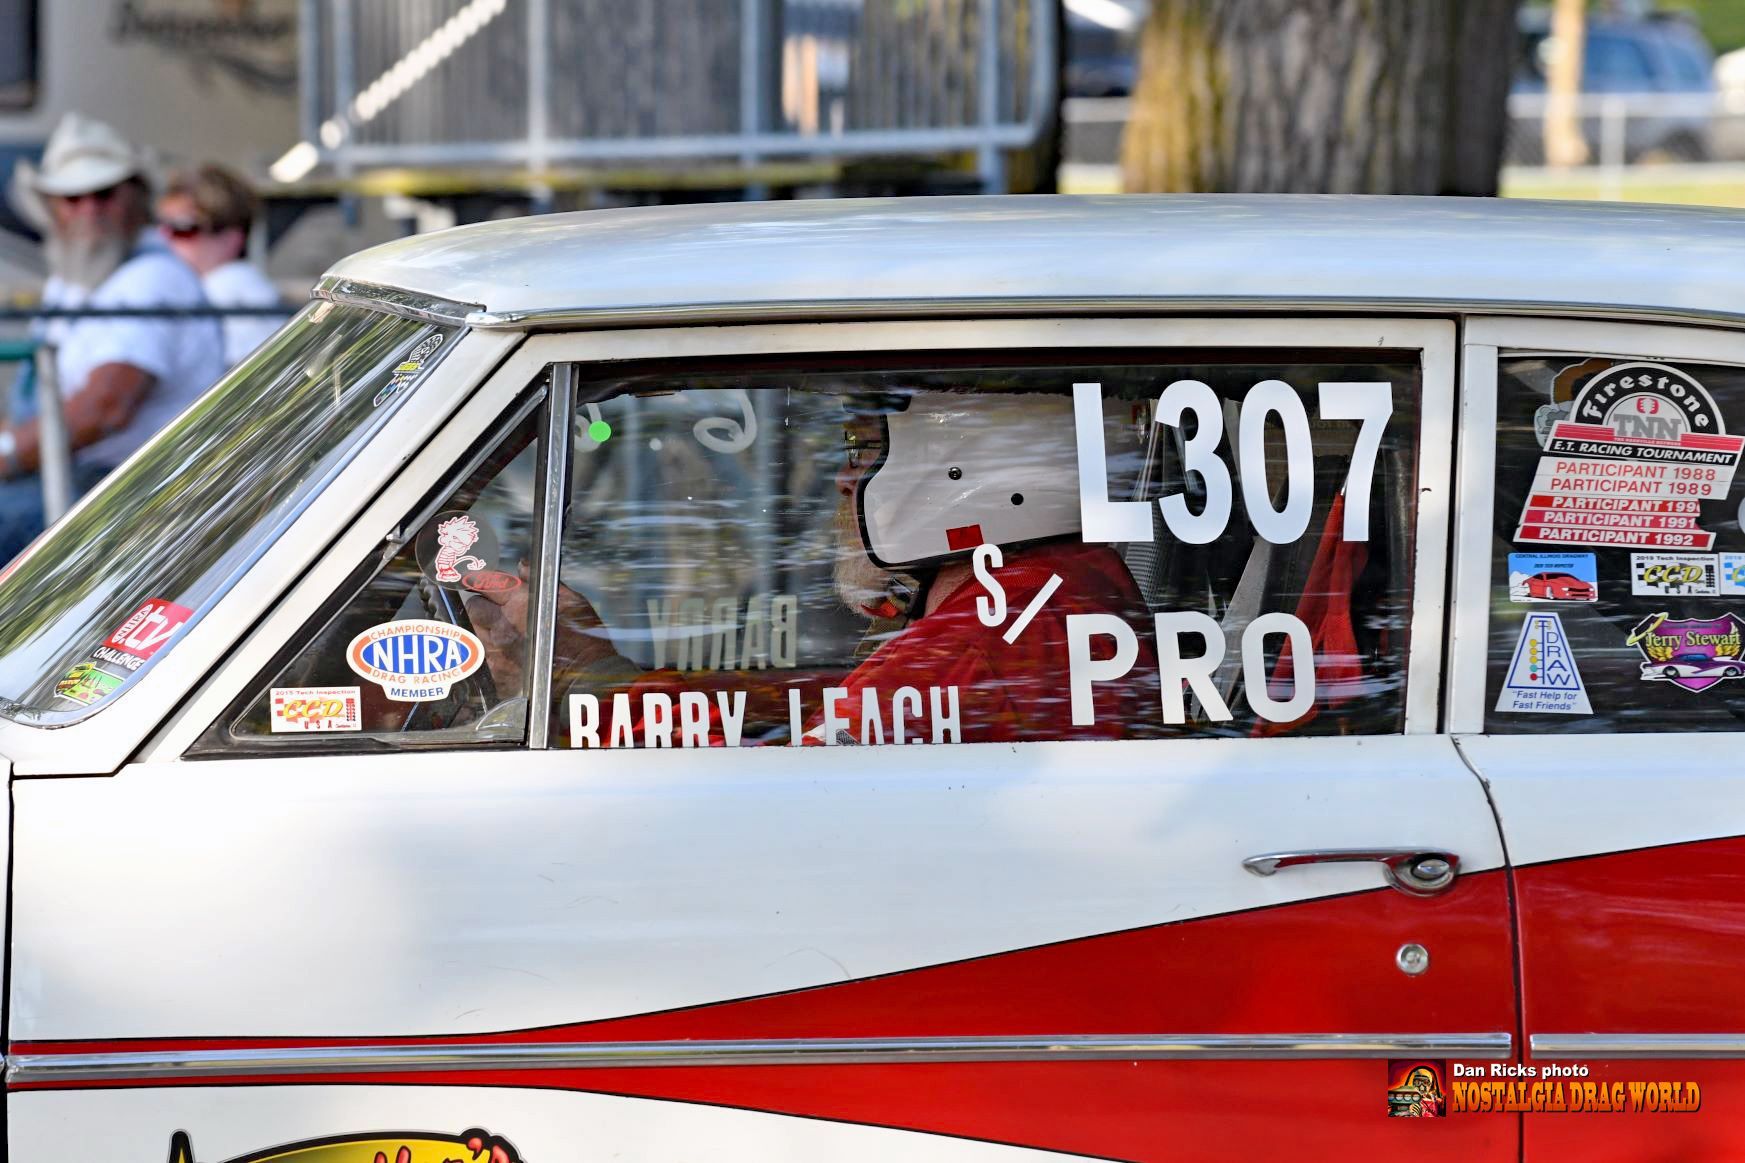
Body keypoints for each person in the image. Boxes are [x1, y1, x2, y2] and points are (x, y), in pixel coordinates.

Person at [470, 389, 1161, 746]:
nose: (841, 480)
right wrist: (599, 667)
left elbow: (772, 787)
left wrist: (590, 680)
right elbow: (811, 705)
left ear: (965, 472)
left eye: (862, 452)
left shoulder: (985, 634)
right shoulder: (1039, 595)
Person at [0, 113, 223, 562]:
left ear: (137, 199)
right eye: (73, 197)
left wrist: (5, 456)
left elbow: (104, 409)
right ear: (51, 207)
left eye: (104, 194)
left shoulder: (151, 278)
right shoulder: (75, 278)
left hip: (134, 495)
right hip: (83, 482)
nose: (89, 210)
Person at [157, 164, 285, 370]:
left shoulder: (228, 288)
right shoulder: (212, 288)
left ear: (232, 237)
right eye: (161, 226)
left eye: (182, 228)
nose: (164, 238)